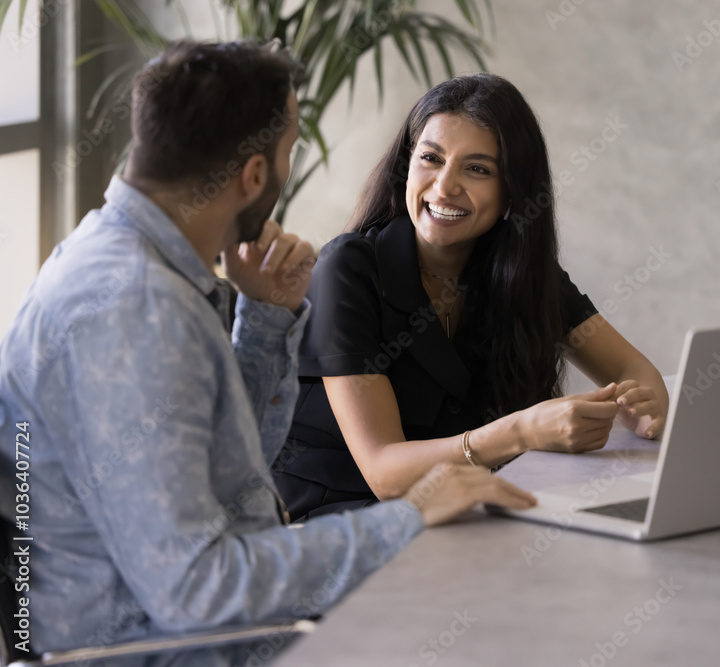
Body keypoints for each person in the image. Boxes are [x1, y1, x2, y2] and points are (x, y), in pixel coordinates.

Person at [0, 41, 534, 660]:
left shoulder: (127, 260)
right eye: (287, 154)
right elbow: (195, 589)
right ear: (255, 175)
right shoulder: (139, 310)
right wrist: (410, 515)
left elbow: (223, 471)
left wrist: (264, 317)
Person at [273, 73, 670, 520]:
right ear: (408, 164)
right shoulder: (348, 269)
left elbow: (635, 370)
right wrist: (523, 431)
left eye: (477, 169)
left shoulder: (521, 273)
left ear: (511, 195)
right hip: (339, 523)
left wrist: (642, 407)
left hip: (460, 514)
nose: (444, 187)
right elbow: (383, 473)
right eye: (431, 158)